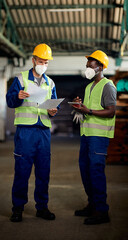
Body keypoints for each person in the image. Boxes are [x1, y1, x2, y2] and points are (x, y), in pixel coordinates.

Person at [6, 43, 58, 222]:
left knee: (44, 171)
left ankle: (42, 208)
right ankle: (17, 208)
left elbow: (52, 105)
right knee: (22, 170)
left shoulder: (50, 82)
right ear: (33, 59)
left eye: (46, 62)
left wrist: (52, 111)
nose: (43, 64)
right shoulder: (20, 79)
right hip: (25, 131)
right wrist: (17, 97)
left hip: (43, 131)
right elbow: (10, 101)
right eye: (41, 60)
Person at [72, 50, 117, 225]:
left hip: (99, 136)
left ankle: (102, 211)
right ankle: (93, 205)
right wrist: (79, 106)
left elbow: (111, 111)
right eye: (87, 66)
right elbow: (87, 110)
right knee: (85, 171)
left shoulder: (108, 86)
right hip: (87, 134)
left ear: (100, 67)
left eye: (90, 65)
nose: (88, 68)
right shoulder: (89, 86)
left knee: (96, 172)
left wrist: (88, 110)